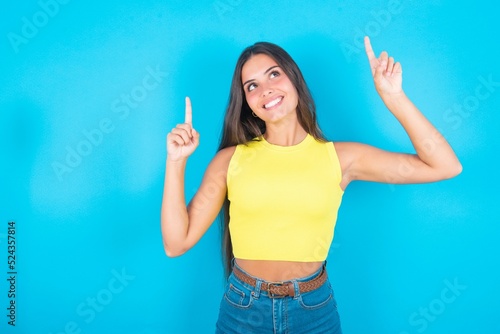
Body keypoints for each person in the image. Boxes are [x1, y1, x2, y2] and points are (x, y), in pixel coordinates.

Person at [160, 36, 462, 333]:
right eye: (252, 86)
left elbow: (444, 166)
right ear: (248, 103)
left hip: (313, 311)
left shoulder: (342, 159)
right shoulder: (229, 161)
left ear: (294, 80)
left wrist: (394, 97)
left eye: (273, 75)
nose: (266, 90)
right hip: (243, 309)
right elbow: (176, 243)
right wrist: (176, 161)